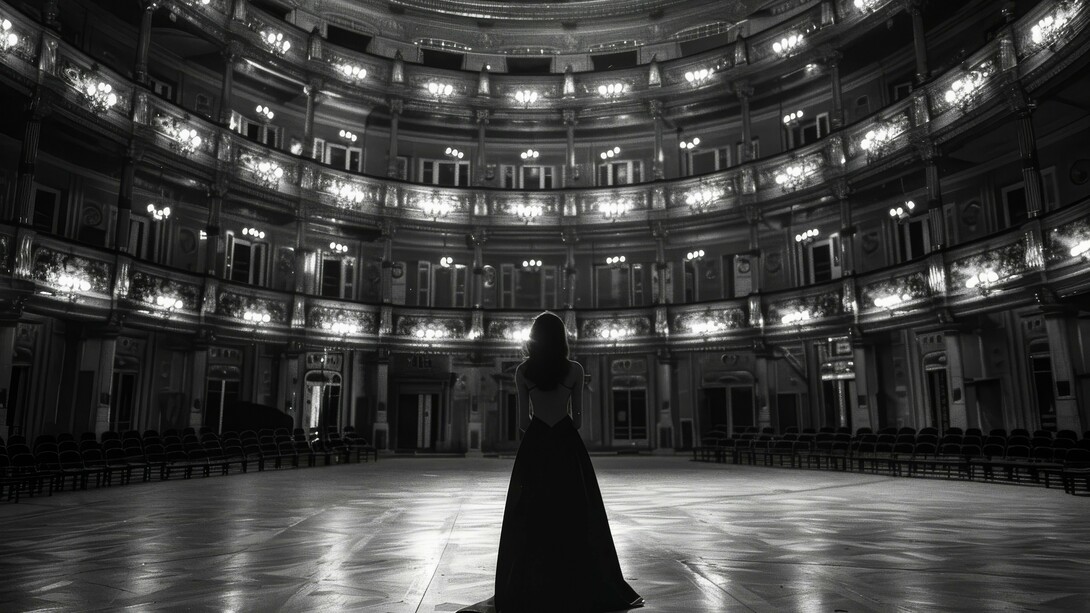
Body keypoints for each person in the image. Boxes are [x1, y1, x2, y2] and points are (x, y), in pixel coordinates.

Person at [461, 312, 643, 613]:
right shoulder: (574, 369)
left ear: (534, 337)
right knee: (574, 509)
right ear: (562, 338)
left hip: (536, 444)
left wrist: (537, 428)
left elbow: (522, 422)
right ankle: (572, 574)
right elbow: (579, 420)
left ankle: (533, 578)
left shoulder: (522, 371)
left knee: (531, 512)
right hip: (566, 444)